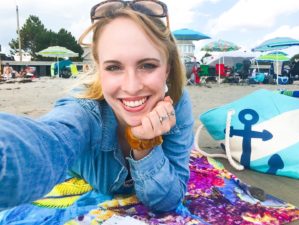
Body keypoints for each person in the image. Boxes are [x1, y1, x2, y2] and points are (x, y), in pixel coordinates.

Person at [0, 0, 194, 213]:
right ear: (100, 70)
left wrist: (145, 146)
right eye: (114, 67)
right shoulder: (83, 108)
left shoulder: (177, 102)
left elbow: (168, 200)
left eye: (147, 65)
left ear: (167, 69)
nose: (131, 87)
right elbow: (46, 143)